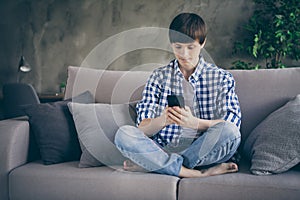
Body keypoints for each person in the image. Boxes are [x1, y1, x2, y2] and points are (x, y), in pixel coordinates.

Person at [114, 13, 241, 178]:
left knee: (230, 132)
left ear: (202, 43)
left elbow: (231, 123)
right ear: (171, 45)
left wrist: (195, 123)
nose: (184, 54)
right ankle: (195, 173)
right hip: (164, 147)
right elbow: (142, 128)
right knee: (124, 134)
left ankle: (155, 164)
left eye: (190, 47)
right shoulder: (158, 77)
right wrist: (163, 120)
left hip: (203, 151)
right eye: (178, 47)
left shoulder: (222, 78)